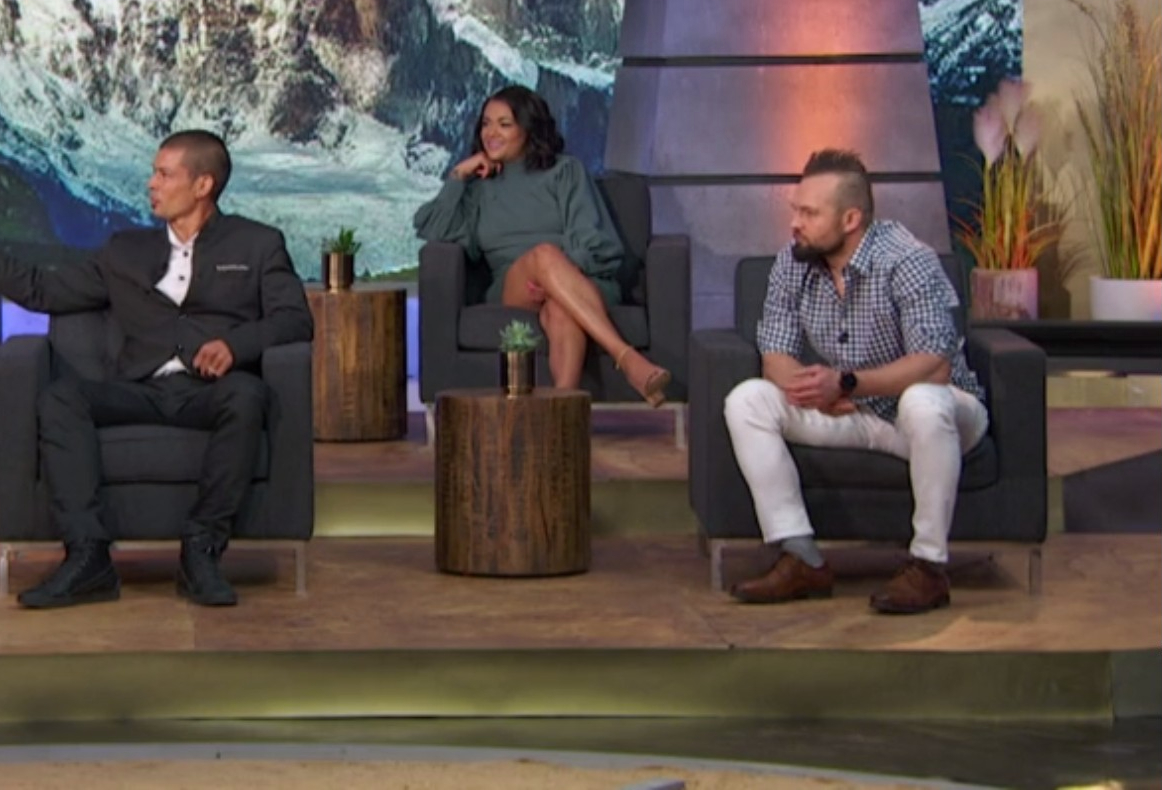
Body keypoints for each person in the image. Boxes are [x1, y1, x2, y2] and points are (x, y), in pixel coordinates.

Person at [0, 130, 313, 609]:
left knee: (247, 396)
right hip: (138, 387)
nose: (151, 184)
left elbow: (294, 319)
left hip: (212, 390)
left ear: (203, 185)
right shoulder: (125, 251)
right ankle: (87, 556)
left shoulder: (257, 244)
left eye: (164, 174)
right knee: (60, 397)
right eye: (153, 173)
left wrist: (235, 346)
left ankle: (201, 550)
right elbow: (39, 289)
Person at [723, 148, 986, 615]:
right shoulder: (793, 261)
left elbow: (934, 366)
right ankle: (801, 557)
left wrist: (846, 384)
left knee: (923, 402)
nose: (795, 223)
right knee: (747, 400)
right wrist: (814, 393)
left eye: (809, 213)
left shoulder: (907, 259)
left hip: (941, 415)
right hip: (855, 412)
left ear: (850, 219)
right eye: (795, 210)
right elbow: (775, 356)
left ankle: (928, 567)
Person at [412, 85, 669, 404]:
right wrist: (458, 174)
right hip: (515, 285)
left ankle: (563, 410)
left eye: (504, 124)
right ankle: (628, 360)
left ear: (528, 129)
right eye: (486, 124)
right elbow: (431, 227)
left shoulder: (565, 172)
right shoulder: (479, 188)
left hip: (581, 281)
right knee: (544, 255)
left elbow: (595, 242)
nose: (491, 133)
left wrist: (554, 277)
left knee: (560, 309)